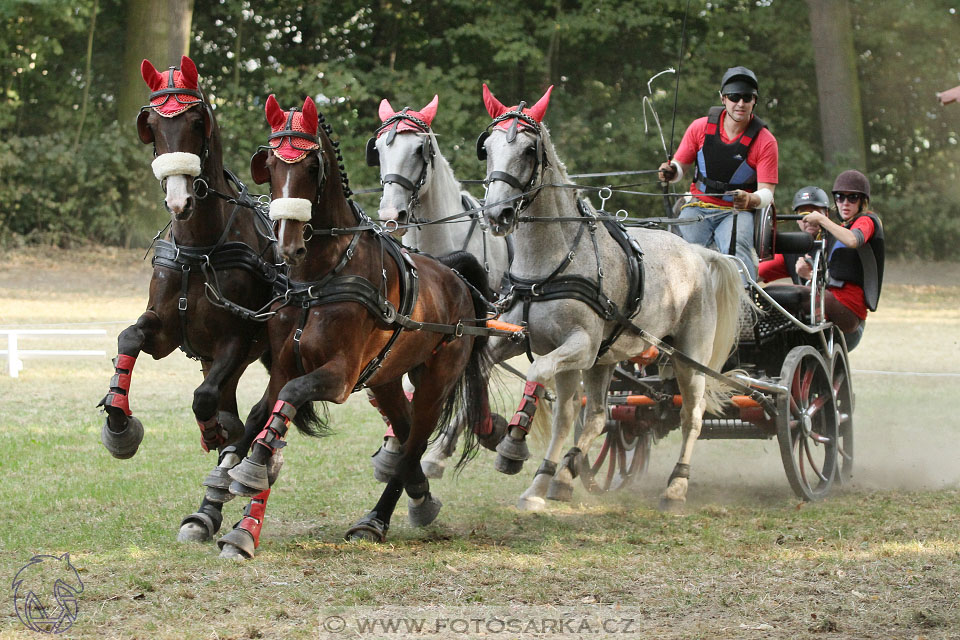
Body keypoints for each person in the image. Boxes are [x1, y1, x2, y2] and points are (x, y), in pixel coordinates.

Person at [658, 66, 779, 281]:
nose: (740, 103)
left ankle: (743, 301)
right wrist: (671, 171)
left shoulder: (765, 141)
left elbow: (767, 193)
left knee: (737, 247)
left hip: (735, 212)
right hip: (698, 206)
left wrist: (750, 199)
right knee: (680, 246)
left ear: (754, 101)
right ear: (723, 98)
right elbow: (680, 167)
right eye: (734, 97)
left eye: (747, 97)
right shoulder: (699, 128)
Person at [793, 170, 884, 350]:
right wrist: (808, 274)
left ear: (863, 201)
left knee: (787, 295)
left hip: (849, 310)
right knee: (775, 296)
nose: (845, 203)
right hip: (832, 301)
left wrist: (821, 219)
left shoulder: (867, 221)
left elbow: (852, 240)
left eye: (853, 198)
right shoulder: (837, 230)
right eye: (840, 197)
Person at [758, 185, 829, 284]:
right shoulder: (791, 248)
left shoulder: (837, 244)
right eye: (803, 214)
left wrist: (809, 276)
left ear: (826, 214)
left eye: (813, 212)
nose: (808, 219)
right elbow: (755, 274)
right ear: (796, 219)